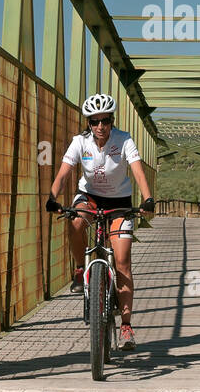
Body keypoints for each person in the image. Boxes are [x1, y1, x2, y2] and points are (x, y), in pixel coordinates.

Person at [46, 93, 155, 350]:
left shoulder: (124, 139)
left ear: (112, 120)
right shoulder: (79, 142)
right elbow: (63, 173)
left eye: (105, 121)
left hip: (119, 202)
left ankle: (126, 325)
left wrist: (148, 198)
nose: (100, 127)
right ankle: (78, 270)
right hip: (90, 197)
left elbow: (137, 169)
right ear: (88, 124)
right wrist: (52, 197)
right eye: (94, 122)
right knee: (74, 221)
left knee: (122, 261)